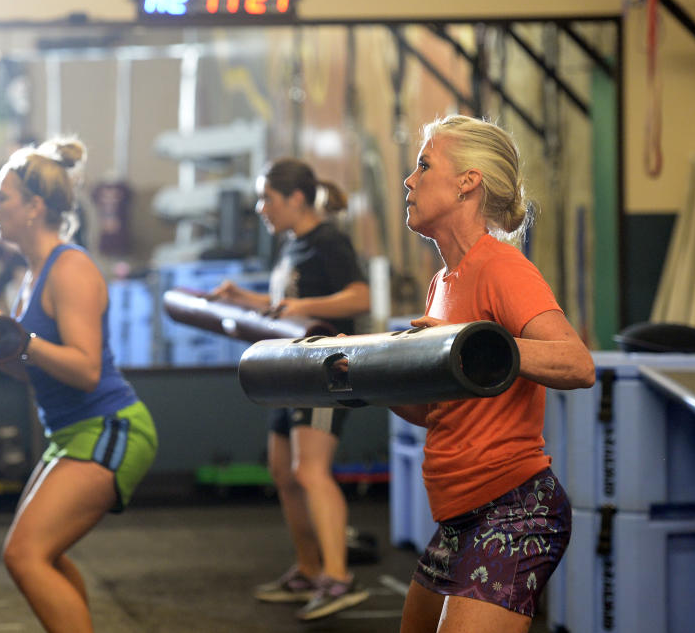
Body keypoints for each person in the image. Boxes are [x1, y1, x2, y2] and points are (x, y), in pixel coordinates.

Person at [394, 115, 595, 633]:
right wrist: (370, 381)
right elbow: (441, 413)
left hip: (517, 506)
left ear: (468, 181)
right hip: (460, 515)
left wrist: (486, 348)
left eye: (423, 165)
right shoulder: (442, 283)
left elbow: (576, 363)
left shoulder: (501, 267)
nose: (409, 180)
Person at [0, 137, 158, 632]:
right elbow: (35, 365)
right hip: (72, 431)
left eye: (4, 197)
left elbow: (84, 369)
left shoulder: (72, 268)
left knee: (25, 555)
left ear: (35, 207)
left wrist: (20, 340)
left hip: (109, 427)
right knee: (45, 555)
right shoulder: (32, 275)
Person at [210, 158, 371, 621]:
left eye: (267, 198)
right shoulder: (292, 246)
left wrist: (304, 304)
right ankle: (307, 569)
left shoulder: (329, 240)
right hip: (290, 372)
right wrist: (245, 298)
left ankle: (338, 577)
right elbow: (287, 307)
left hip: (326, 373)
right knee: (283, 472)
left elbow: (360, 297)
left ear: (295, 199)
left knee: (310, 472)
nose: (261, 208)